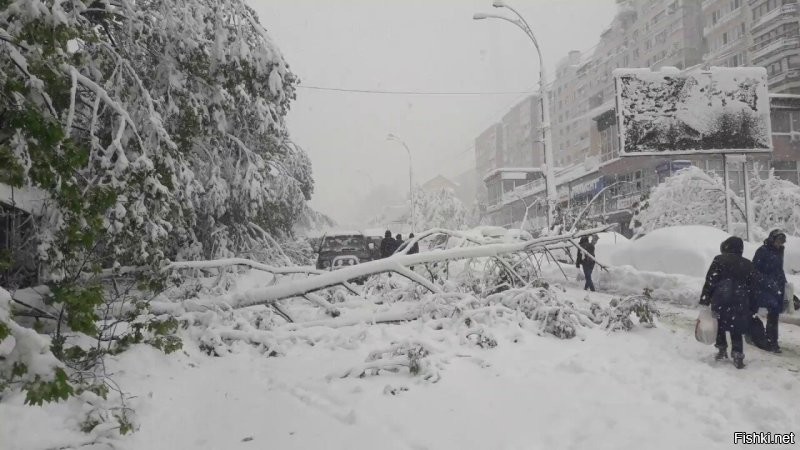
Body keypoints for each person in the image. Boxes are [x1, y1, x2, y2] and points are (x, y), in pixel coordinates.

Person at [700, 237, 763, 369]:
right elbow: (754, 288)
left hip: (720, 299)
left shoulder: (719, 260)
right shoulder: (748, 264)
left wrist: (705, 298)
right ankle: (737, 354)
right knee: (737, 328)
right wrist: (753, 306)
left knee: (719, 325)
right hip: (740, 302)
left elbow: (711, 281)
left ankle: (722, 349)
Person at [753, 229, 787, 353]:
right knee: (769, 312)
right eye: (778, 241)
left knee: (774, 314)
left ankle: (773, 341)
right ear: (772, 239)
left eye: (782, 241)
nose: (780, 244)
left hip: (776, 287)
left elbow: (779, 270)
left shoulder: (779, 252)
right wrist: (768, 282)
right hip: (764, 287)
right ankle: (764, 338)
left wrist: (785, 283)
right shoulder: (762, 251)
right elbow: (755, 270)